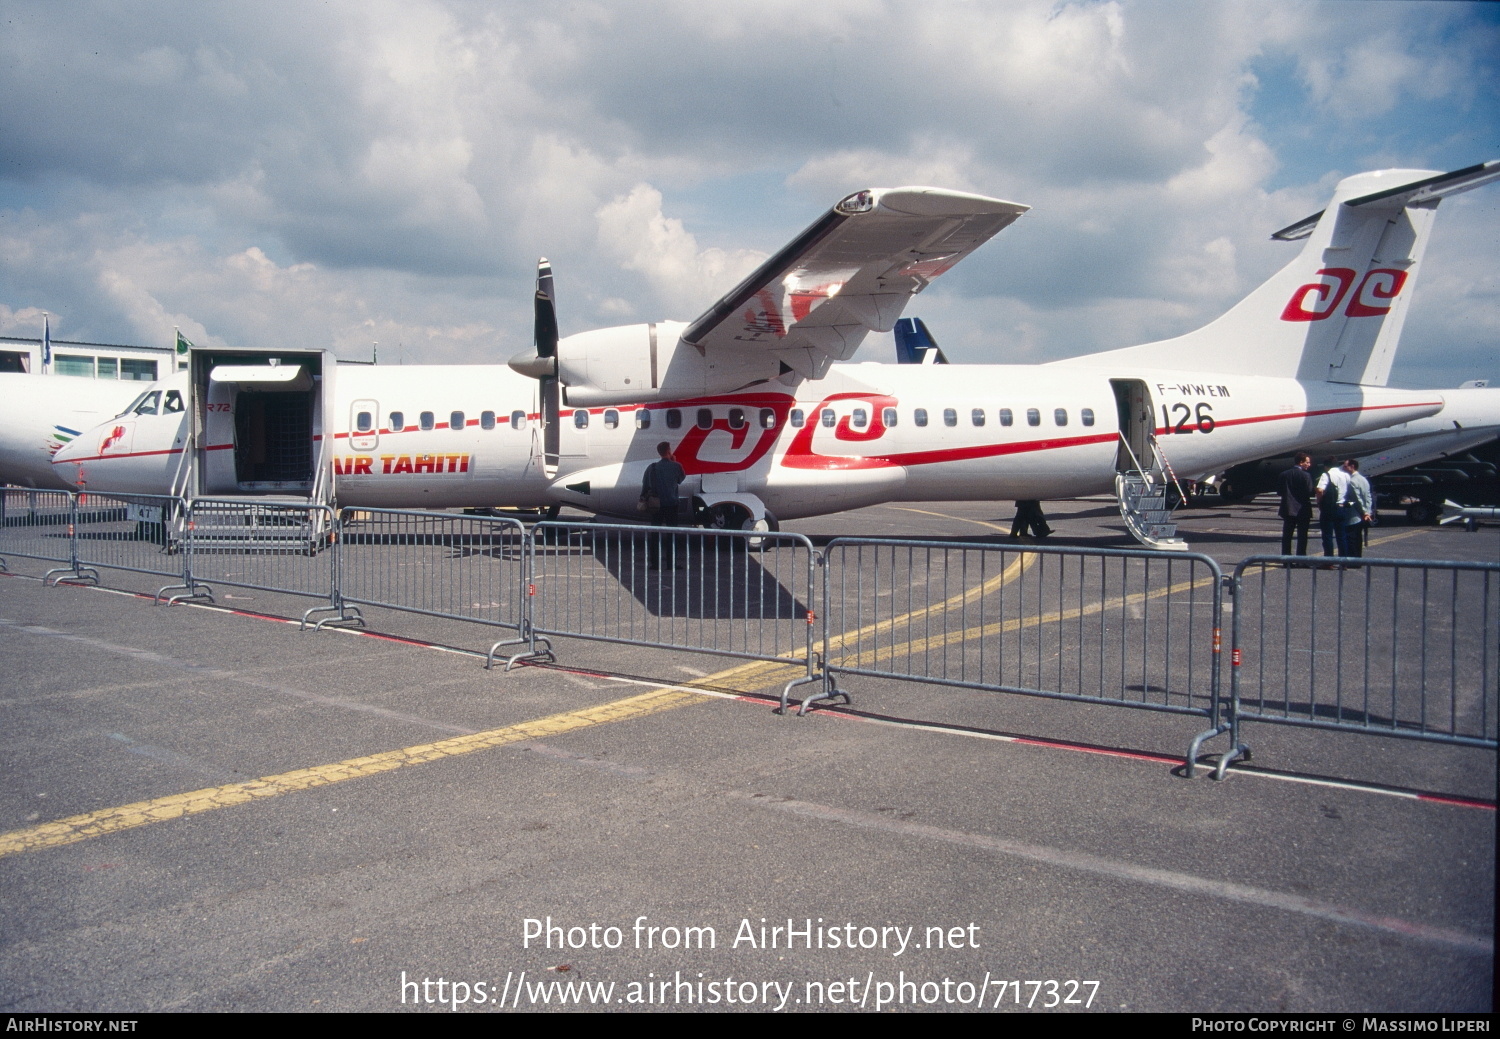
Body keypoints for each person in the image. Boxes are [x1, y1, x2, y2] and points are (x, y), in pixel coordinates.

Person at [641, 441, 685, 567]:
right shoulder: (676, 466)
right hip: (671, 504)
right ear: (669, 451)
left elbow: (645, 484)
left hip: (656, 505)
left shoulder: (652, 467)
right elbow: (681, 479)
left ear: (659, 452)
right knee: (671, 534)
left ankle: (655, 563)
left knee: (655, 533)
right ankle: (671, 563)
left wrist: (642, 498)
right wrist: (674, 461)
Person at [1276, 452, 1315, 556]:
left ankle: (1286, 558)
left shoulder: (1284, 474)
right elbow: (1310, 492)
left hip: (1288, 508)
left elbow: (1279, 492)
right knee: (1302, 536)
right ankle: (1301, 558)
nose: (1309, 464)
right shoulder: (1306, 475)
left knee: (1287, 536)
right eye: (1307, 462)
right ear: (1301, 462)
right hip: (1303, 509)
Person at [1315, 459, 1354, 559]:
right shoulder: (1346, 475)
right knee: (1341, 536)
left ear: (1326, 466)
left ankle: (1329, 561)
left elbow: (1320, 490)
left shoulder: (1326, 475)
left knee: (1327, 536)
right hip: (1342, 507)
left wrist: (1319, 502)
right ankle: (1343, 561)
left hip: (1329, 509)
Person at [1342, 458, 1374, 560]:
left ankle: (1353, 561)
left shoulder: (1352, 481)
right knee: (1358, 539)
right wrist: (1368, 511)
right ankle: (1357, 559)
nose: (1343, 468)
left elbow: (1357, 499)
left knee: (1352, 539)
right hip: (1363, 514)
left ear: (1352, 467)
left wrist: (1363, 512)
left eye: (1345, 466)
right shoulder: (1363, 479)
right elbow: (1368, 497)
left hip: (1354, 515)